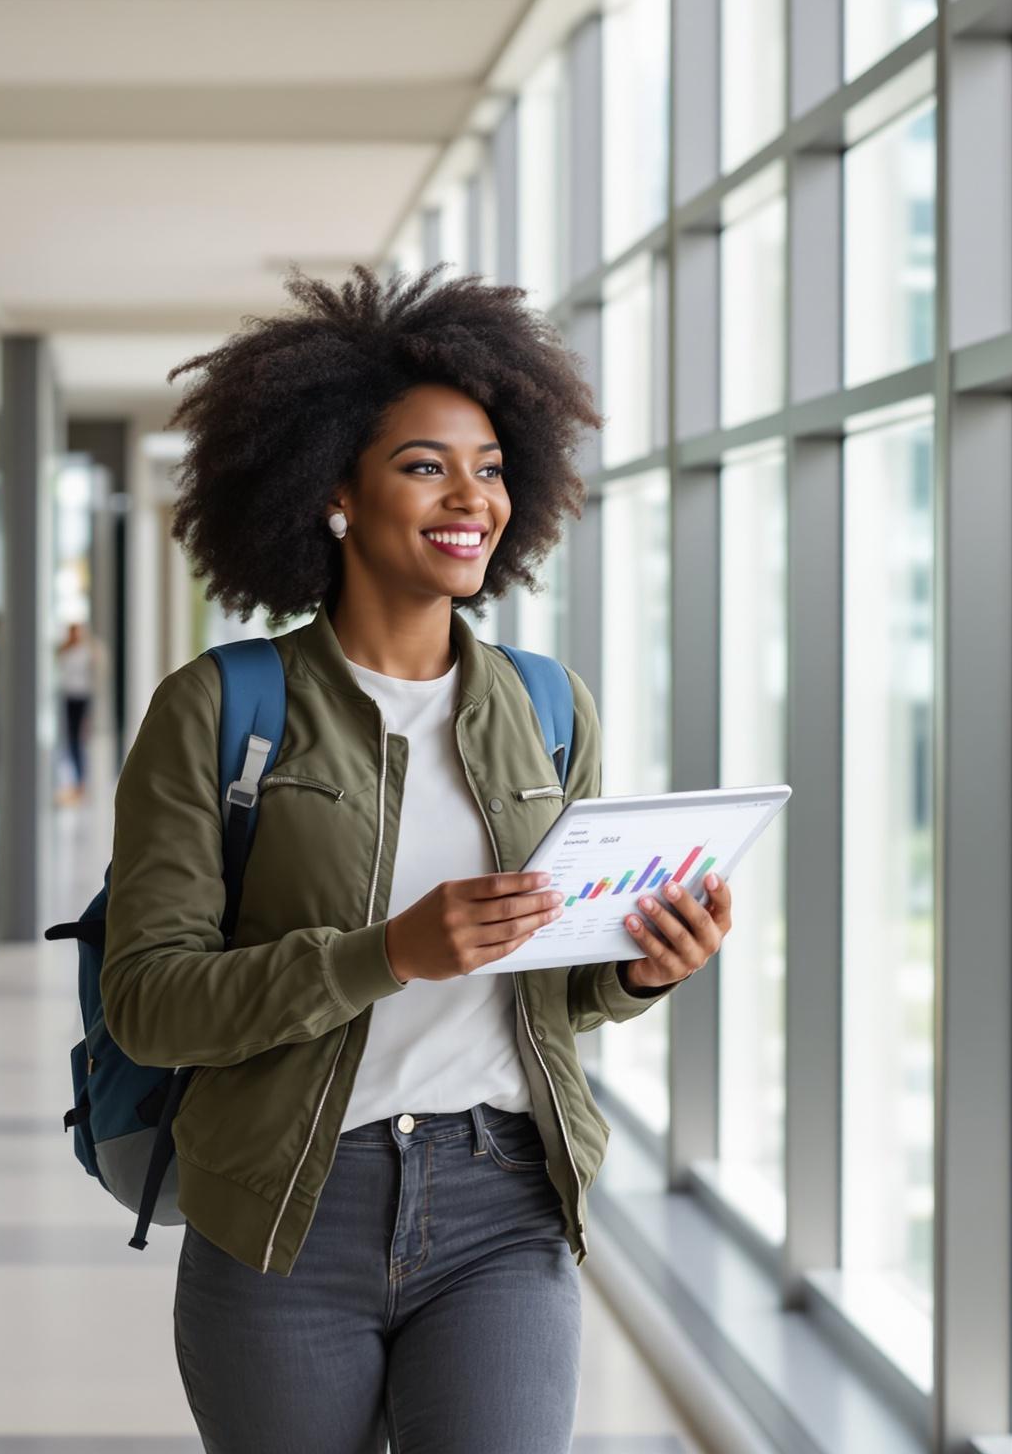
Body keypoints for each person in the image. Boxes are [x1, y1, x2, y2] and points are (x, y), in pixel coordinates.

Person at [101, 264, 734, 1454]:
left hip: (506, 1201)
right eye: (424, 465)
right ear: (333, 490)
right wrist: (384, 954)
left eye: (489, 467)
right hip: (287, 1213)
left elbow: (551, 987)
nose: (470, 497)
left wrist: (636, 970)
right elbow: (149, 1001)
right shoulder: (220, 707)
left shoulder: (547, 707)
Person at [55, 621, 96, 802]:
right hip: (68, 698)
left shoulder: (87, 652)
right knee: (70, 741)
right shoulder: (65, 651)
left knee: (78, 742)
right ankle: (74, 782)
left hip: (82, 698)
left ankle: (81, 783)